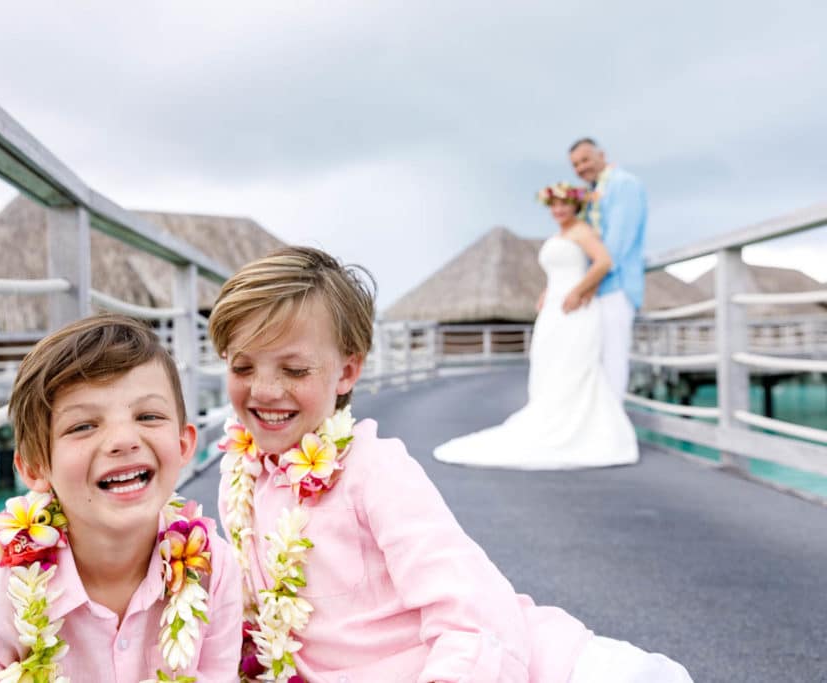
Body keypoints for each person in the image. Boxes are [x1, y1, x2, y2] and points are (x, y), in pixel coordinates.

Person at [210, 247, 687, 682]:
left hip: (498, 663)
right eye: (243, 367)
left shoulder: (374, 469)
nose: (265, 390)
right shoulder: (240, 475)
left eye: (294, 370)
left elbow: (469, 605)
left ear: (348, 372)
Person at [0, 315, 242, 682]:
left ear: (183, 445)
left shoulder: (214, 570)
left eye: (148, 416)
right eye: (84, 426)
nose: (123, 439)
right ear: (36, 467)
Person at [433, 183, 639, 470]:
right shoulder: (560, 235)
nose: (558, 210)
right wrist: (548, 290)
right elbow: (559, 269)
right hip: (553, 308)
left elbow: (603, 262)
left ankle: (582, 430)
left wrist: (578, 291)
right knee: (548, 363)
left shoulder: (582, 231)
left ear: (575, 206)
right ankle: (549, 418)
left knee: (574, 366)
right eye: (553, 205)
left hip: (575, 309)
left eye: (564, 204)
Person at [569, 137, 648, 396]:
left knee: (613, 362)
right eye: (575, 165)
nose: (581, 168)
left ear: (601, 155)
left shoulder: (623, 185)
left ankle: (613, 430)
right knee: (595, 363)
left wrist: (586, 284)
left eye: (585, 160)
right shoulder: (593, 195)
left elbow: (616, 246)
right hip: (597, 290)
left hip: (616, 287)